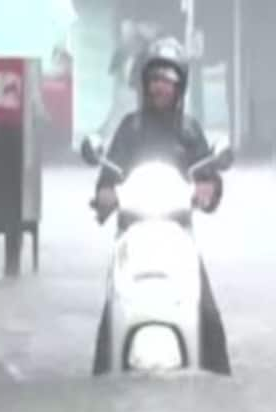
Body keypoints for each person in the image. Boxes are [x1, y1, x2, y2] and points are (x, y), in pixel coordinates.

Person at [91, 37, 230, 375]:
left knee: (209, 317)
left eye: (168, 81)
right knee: (111, 313)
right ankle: (101, 387)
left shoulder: (190, 131)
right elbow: (107, 177)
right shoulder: (129, 129)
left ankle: (220, 387)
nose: (160, 87)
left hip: (178, 234)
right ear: (144, 84)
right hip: (132, 233)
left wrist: (209, 190)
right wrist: (105, 196)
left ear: (180, 86)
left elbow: (209, 175)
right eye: (154, 80)